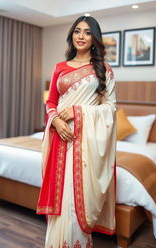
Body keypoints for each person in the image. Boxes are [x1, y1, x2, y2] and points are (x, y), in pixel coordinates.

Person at [37, 14, 116, 248]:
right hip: (58, 138)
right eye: (77, 31)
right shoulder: (60, 67)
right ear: (72, 35)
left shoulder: (103, 69)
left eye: (87, 32)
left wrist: (77, 112)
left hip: (86, 142)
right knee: (60, 198)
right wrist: (56, 122)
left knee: (75, 199)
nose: (81, 36)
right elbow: (50, 101)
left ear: (95, 38)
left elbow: (110, 108)